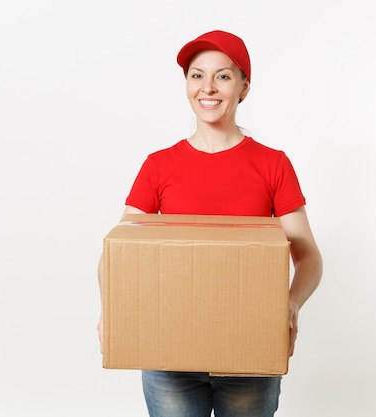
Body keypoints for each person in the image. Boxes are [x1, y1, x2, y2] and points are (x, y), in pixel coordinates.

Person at [97, 29, 323, 417]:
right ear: (186, 85)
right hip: (169, 354)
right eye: (197, 75)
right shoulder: (159, 166)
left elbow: (309, 257)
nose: (209, 87)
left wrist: (289, 305)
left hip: (249, 353)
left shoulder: (273, 164)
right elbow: (119, 250)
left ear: (244, 87)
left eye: (223, 75)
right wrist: (113, 308)